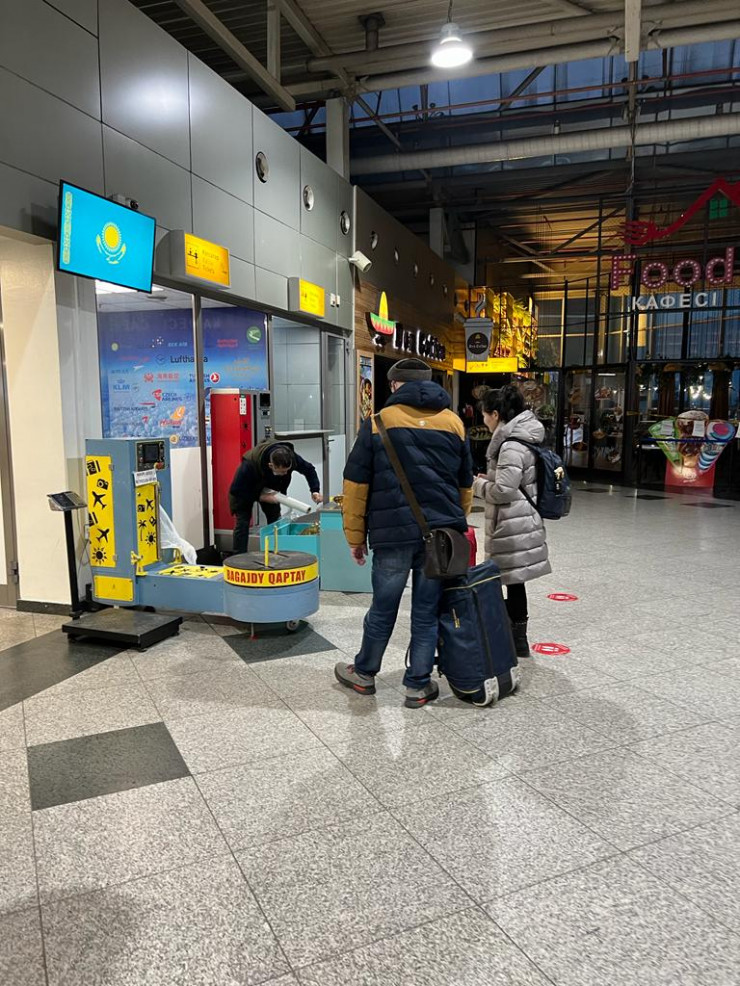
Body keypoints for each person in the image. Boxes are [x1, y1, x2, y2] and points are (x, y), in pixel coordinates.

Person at [334, 357, 474, 708]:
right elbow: (465, 486)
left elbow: (355, 486)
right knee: (426, 611)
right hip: (439, 537)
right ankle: (418, 685)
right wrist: (454, 523)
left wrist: (355, 537)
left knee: (383, 608)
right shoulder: (454, 423)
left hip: (391, 535)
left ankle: (364, 674)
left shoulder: (378, 422)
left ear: (395, 385)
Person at [473, 385, 551, 657]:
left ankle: (510, 638)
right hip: (519, 518)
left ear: (495, 414)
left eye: (485, 414)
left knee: (505, 580)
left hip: (511, 522)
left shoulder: (510, 445)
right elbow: (515, 481)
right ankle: (516, 639)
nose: (483, 419)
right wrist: (490, 479)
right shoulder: (522, 437)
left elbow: (504, 491)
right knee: (514, 581)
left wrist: (475, 485)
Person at [228, 440, 322, 554]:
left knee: (275, 522)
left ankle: (275, 553)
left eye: (287, 471)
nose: (285, 474)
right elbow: (237, 490)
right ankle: (239, 556)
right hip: (246, 489)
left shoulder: (292, 458)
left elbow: (309, 469)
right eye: (281, 472)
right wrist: (262, 497)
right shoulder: (249, 465)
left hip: (270, 487)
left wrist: (315, 490)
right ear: (271, 465)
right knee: (242, 523)